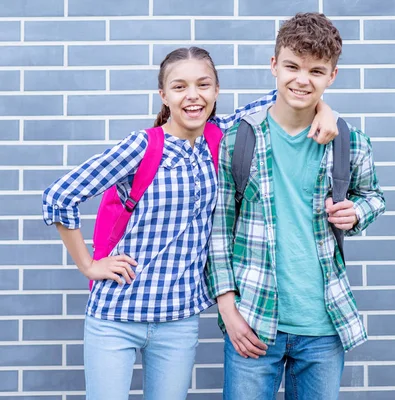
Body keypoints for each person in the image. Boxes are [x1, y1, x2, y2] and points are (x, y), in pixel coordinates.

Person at [41, 46, 338, 400]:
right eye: (179, 87)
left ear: (216, 91)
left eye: (203, 85)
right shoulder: (142, 146)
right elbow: (60, 197)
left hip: (178, 321)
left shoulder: (221, 135)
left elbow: (290, 93)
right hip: (116, 316)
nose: (193, 96)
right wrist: (89, 265)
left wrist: (325, 108)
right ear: (163, 95)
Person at [207, 13, 386, 400]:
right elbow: (219, 231)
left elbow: (374, 197)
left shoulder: (349, 142)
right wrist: (228, 311)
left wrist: (356, 213)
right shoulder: (239, 139)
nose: (302, 79)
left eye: (316, 71)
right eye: (292, 66)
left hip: (323, 325)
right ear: (273, 65)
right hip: (253, 319)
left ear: (332, 76)